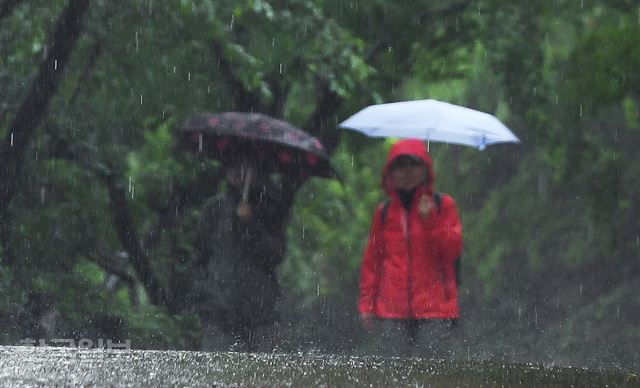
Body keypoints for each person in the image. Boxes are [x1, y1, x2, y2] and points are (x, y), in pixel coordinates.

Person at [358, 138, 463, 357]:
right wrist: (367, 304)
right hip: (392, 310)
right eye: (400, 165)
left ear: (425, 169)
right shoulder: (384, 212)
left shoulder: (443, 205)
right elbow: (373, 261)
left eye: (413, 164)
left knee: (433, 373)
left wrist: (430, 220)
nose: (407, 171)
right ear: (390, 173)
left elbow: (453, 250)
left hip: (435, 308)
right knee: (394, 375)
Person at [192, 156, 288, 352]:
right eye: (233, 166)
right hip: (219, 313)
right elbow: (199, 256)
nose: (238, 172)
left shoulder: (270, 208)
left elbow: (276, 254)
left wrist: (251, 224)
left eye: (245, 167)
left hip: (260, 314)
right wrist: (204, 296)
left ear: (256, 172)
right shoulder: (214, 210)